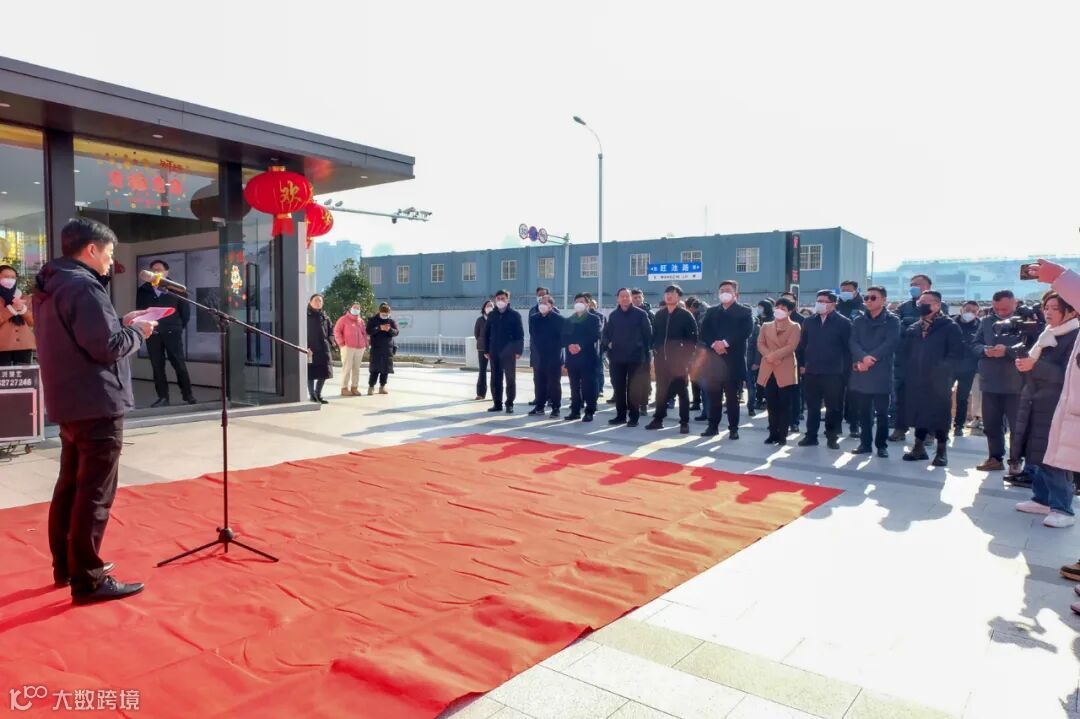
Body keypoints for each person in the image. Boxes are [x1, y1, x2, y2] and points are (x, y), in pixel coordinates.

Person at [34, 217, 156, 604]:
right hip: (96, 401)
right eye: (109, 253)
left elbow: (84, 335)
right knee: (94, 493)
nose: (110, 261)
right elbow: (107, 347)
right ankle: (87, 579)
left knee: (70, 486)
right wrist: (139, 331)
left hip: (69, 401)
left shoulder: (52, 283)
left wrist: (120, 323)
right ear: (91, 249)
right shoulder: (84, 285)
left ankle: (66, 566)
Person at [1011, 291, 1079, 528]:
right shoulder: (1048, 333)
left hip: (1058, 403)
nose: (1048, 312)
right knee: (1038, 452)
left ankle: (1063, 508)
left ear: (1071, 311)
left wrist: (1035, 365)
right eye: (1046, 307)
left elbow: (1067, 374)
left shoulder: (1075, 336)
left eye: (1054, 308)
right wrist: (1026, 365)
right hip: (1038, 399)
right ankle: (1042, 499)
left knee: (1055, 457)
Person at [897, 291, 964, 466]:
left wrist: (943, 370)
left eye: (926, 302)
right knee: (919, 411)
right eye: (920, 302)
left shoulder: (949, 326)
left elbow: (956, 353)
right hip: (916, 378)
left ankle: (941, 450)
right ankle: (918, 447)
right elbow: (904, 352)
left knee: (940, 413)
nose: (921, 305)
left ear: (937, 305)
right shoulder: (915, 328)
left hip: (939, 379)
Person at [972, 290, 1032, 473]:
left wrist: (1007, 351)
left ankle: (1015, 460)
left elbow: (1032, 348)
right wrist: (985, 350)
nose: (1000, 312)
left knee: (1017, 425)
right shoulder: (986, 321)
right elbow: (974, 344)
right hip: (990, 380)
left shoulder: (1026, 322)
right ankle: (994, 457)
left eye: (1005, 309)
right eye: (997, 308)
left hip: (1016, 383)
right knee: (991, 424)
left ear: (1015, 303)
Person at [890, 274, 949, 441]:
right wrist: (913, 322)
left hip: (930, 360)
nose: (913, 287)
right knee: (902, 395)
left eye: (917, 284)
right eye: (911, 284)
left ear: (928, 287)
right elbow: (897, 326)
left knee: (929, 397)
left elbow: (936, 325)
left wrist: (910, 321)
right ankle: (900, 428)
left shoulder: (940, 306)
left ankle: (929, 432)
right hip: (906, 358)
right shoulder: (903, 306)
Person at [848, 286, 901, 457]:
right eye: (866, 298)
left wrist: (871, 358)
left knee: (882, 413)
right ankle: (865, 444)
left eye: (873, 297)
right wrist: (863, 358)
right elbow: (853, 342)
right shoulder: (858, 320)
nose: (868, 301)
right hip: (862, 370)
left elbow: (891, 343)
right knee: (864, 412)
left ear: (883, 300)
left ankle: (881, 445)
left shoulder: (892, 320)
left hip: (881, 371)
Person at [797, 290, 853, 449]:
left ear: (833, 304)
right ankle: (811, 436)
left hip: (834, 373)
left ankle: (832, 437)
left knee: (833, 407)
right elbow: (803, 345)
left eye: (823, 301)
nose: (819, 304)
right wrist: (803, 364)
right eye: (818, 300)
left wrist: (845, 372)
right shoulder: (809, 321)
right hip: (812, 371)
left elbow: (848, 349)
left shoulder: (843, 323)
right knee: (812, 406)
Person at [135, 259, 195, 407]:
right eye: (153, 270)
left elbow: (185, 313)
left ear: (166, 272)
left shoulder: (176, 288)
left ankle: (188, 395)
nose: (156, 272)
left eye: (159, 269)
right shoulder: (143, 289)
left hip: (172, 331)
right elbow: (140, 310)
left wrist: (177, 326)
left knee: (178, 363)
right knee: (157, 366)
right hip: (153, 332)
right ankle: (163, 397)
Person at [698, 280, 754, 438]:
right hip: (714, 361)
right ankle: (712, 427)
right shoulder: (712, 311)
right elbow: (704, 331)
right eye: (722, 290)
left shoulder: (744, 311)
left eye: (728, 290)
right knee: (714, 397)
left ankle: (733, 429)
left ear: (736, 294)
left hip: (733, 361)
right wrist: (714, 344)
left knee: (732, 399)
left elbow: (745, 331)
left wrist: (725, 343)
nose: (724, 293)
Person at [646, 284, 698, 433]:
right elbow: (654, 335)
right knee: (661, 391)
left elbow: (693, 340)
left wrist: (685, 358)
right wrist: (655, 348)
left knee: (682, 391)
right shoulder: (660, 315)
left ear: (678, 296)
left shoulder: (686, 315)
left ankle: (684, 422)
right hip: (661, 360)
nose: (669, 296)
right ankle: (658, 419)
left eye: (673, 293)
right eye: (667, 293)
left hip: (679, 362)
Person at [602, 288, 653, 427]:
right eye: (622, 296)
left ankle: (634, 417)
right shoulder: (614, 315)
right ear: (618, 298)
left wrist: (644, 353)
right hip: (617, 358)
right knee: (618, 387)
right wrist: (608, 343)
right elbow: (606, 334)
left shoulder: (640, 314)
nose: (624, 298)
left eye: (627, 296)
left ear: (631, 298)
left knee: (633, 389)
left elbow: (648, 335)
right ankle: (620, 416)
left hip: (635, 358)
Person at [757, 297, 801, 445]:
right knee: (771, 404)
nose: (779, 310)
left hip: (785, 367)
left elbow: (791, 346)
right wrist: (769, 356)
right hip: (768, 367)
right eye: (778, 307)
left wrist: (774, 356)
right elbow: (760, 343)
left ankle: (782, 435)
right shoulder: (766, 326)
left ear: (790, 311)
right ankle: (772, 433)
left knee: (784, 404)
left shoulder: (794, 326)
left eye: (783, 308)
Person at [562, 293, 601, 422]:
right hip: (572, 358)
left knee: (588, 386)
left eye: (582, 301)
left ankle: (590, 411)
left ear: (588, 304)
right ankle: (575, 411)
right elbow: (564, 337)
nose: (579, 304)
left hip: (587, 357)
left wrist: (580, 345)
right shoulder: (569, 320)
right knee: (574, 386)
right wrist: (569, 345)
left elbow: (595, 335)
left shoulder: (594, 319)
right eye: (577, 301)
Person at [485, 289, 524, 413]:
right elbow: (486, 334)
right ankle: (497, 403)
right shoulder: (492, 315)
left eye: (503, 298)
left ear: (508, 300)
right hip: (494, 351)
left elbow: (520, 335)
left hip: (509, 352)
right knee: (495, 378)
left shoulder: (514, 315)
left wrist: (518, 351)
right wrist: (486, 350)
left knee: (510, 379)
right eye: (498, 299)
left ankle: (509, 403)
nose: (500, 301)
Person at [528, 295, 564, 417]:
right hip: (539, 356)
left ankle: (556, 408)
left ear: (551, 306)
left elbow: (563, 338)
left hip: (554, 356)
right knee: (539, 383)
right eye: (541, 302)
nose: (542, 305)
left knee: (554, 384)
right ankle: (539, 406)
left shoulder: (558, 319)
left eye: (545, 303)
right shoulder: (534, 318)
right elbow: (532, 334)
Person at [952, 301, 982, 438]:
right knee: (943, 396)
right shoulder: (950, 323)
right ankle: (941, 424)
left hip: (968, 368)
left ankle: (959, 425)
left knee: (962, 398)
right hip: (950, 365)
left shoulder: (980, 325)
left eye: (974, 311)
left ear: (978, 313)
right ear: (961, 310)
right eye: (968, 309)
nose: (970, 313)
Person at [0, 264, 35, 365]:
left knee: (24, 373)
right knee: (3, 374)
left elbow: (33, 322)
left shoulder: (25, 298)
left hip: (24, 345)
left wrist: (23, 310)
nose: (10, 279)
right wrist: (11, 310)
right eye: (6, 277)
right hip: (2, 346)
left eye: (13, 277)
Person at [780, 290, 805, 433]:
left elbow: (804, 344)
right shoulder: (773, 319)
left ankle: (794, 421)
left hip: (794, 360)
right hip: (776, 361)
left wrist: (803, 364)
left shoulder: (801, 320)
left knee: (794, 393)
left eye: (788, 301)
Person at [333, 302, 369, 397]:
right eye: (354, 307)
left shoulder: (361, 321)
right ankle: (344, 388)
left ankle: (354, 387)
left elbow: (364, 333)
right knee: (347, 368)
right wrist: (341, 342)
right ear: (350, 309)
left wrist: (366, 344)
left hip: (360, 347)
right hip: (347, 347)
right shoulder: (343, 319)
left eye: (358, 308)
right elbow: (337, 331)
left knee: (356, 369)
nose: (356, 309)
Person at [746, 299, 774, 418]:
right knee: (755, 382)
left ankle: (762, 401)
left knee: (763, 381)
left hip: (764, 356)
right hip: (751, 358)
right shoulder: (756, 320)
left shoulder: (771, 320)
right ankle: (758, 400)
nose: (759, 309)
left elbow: (758, 346)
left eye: (761, 307)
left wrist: (757, 361)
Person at [306, 294, 334, 403]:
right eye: (316, 300)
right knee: (311, 373)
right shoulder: (305, 315)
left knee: (324, 372)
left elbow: (330, 329)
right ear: (310, 302)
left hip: (324, 348)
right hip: (311, 349)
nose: (318, 303)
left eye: (320, 301)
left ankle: (318, 394)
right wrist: (306, 347)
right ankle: (312, 395)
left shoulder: (324, 316)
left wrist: (331, 338)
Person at [527, 286, 553, 408]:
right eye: (539, 295)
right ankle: (539, 398)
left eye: (543, 295)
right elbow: (531, 329)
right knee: (537, 376)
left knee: (550, 375)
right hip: (536, 348)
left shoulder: (554, 310)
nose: (541, 297)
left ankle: (551, 398)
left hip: (550, 350)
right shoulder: (533, 311)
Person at [365, 303, 398, 395]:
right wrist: (379, 328)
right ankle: (371, 387)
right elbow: (368, 331)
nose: (385, 315)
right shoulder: (373, 320)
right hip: (376, 348)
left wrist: (389, 329)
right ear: (379, 311)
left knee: (385, 369)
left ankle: (382, 387)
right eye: (383, 313)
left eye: (387, 314)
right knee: (374, 369)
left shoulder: (391, 321)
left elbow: (396, 332)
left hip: (387, 349)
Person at [630, 288, 654, 414]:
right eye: (635, 297)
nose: (637, 299)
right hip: (628, 352)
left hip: (644, 351)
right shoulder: (626, 312)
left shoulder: (649, 314)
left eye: (639, 297)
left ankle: (643, 404)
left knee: (644, 378)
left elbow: (653, 333)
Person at [473, 300, 494, 400]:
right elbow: (476, 334)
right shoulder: (480, 320)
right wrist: (482, 342)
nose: (490, 307)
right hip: (482, 348)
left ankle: (495, 394)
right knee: (482, 370)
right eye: (488, 306)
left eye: (491, 306)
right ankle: (480, 393)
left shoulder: (496, 319)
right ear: (484, 308)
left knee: (495, 371)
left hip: (494, 348)